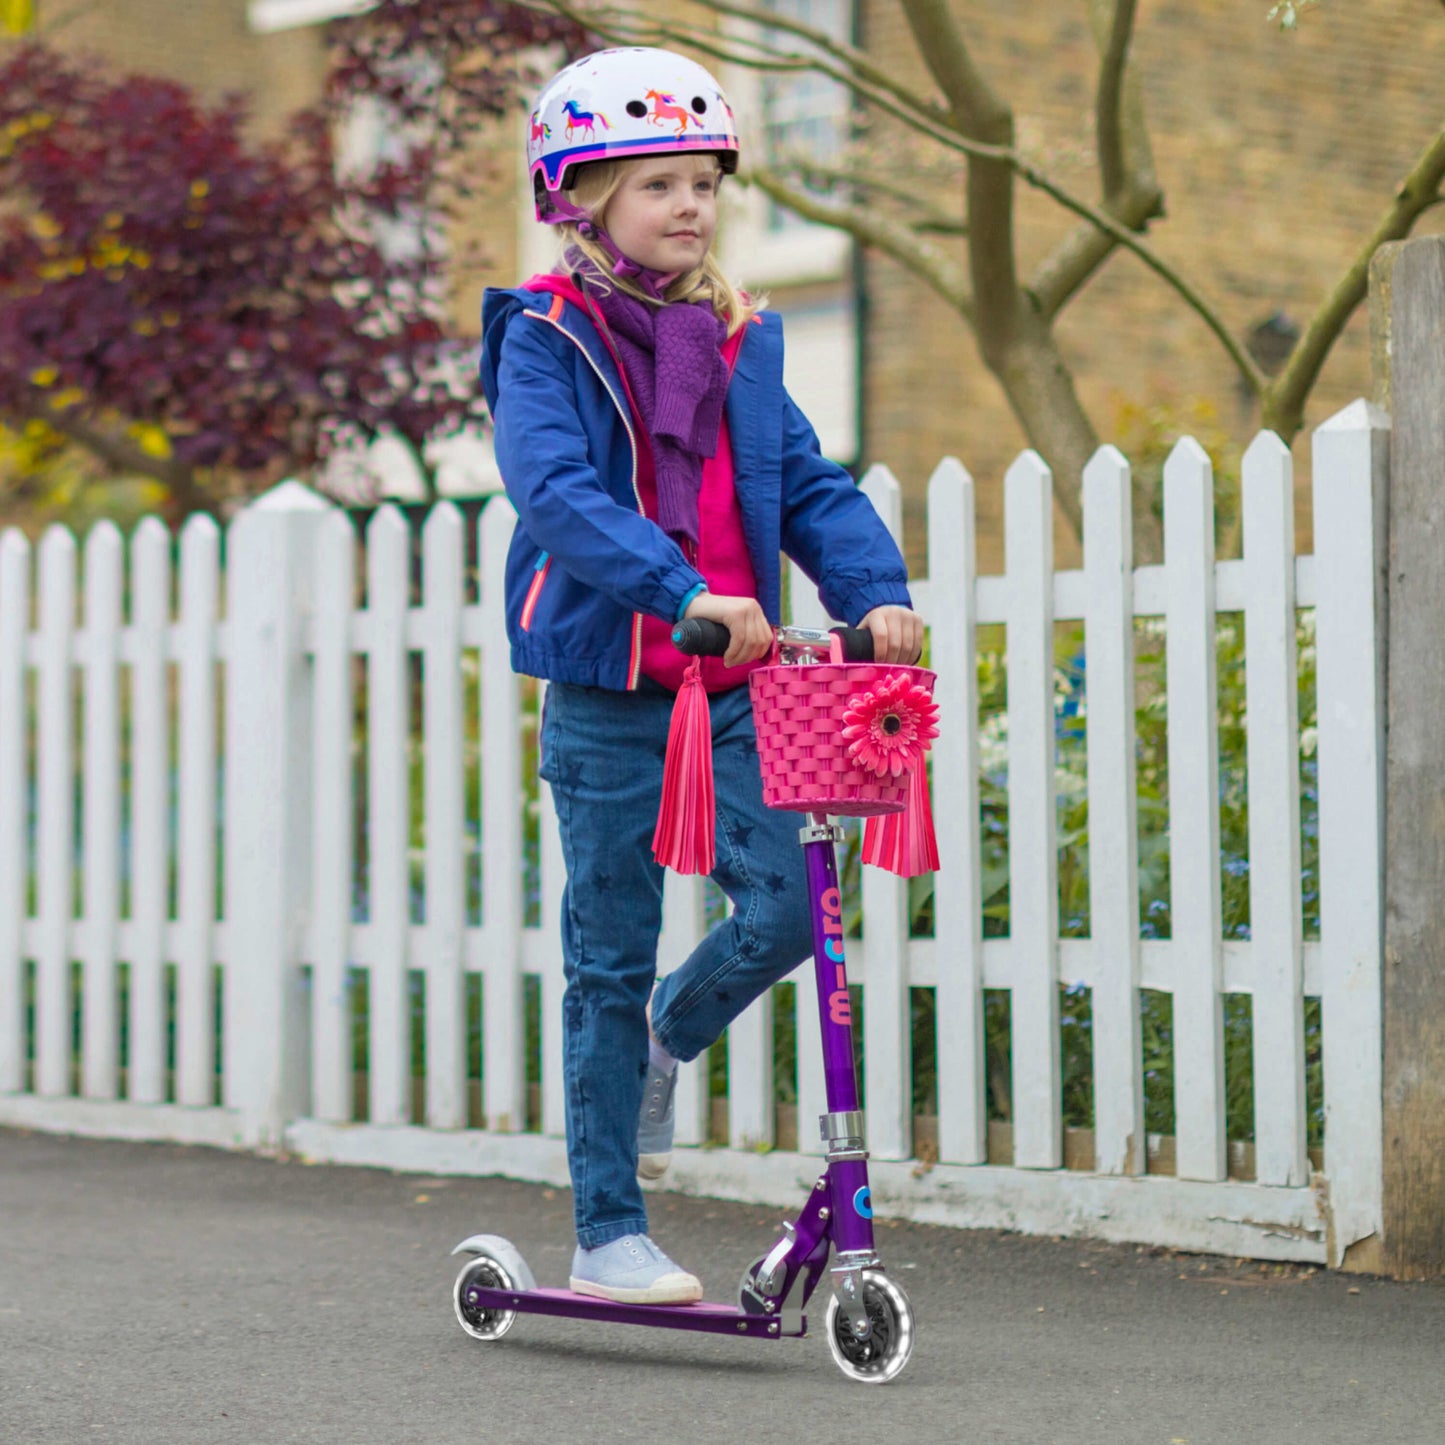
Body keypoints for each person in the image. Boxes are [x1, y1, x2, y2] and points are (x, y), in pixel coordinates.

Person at [478, 47, 923, 1306]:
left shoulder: (736, 343)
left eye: (703, 183)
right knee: (603, 952)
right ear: (580, 202)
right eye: (657, 184)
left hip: (738, 687)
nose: (689, 205)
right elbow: (557, 494)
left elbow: (813, 488)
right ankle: (607, 1228)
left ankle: (674, 1031)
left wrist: (872, 590)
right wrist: (680, 594)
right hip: (613, 689)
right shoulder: (544, 337)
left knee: (790, 908)